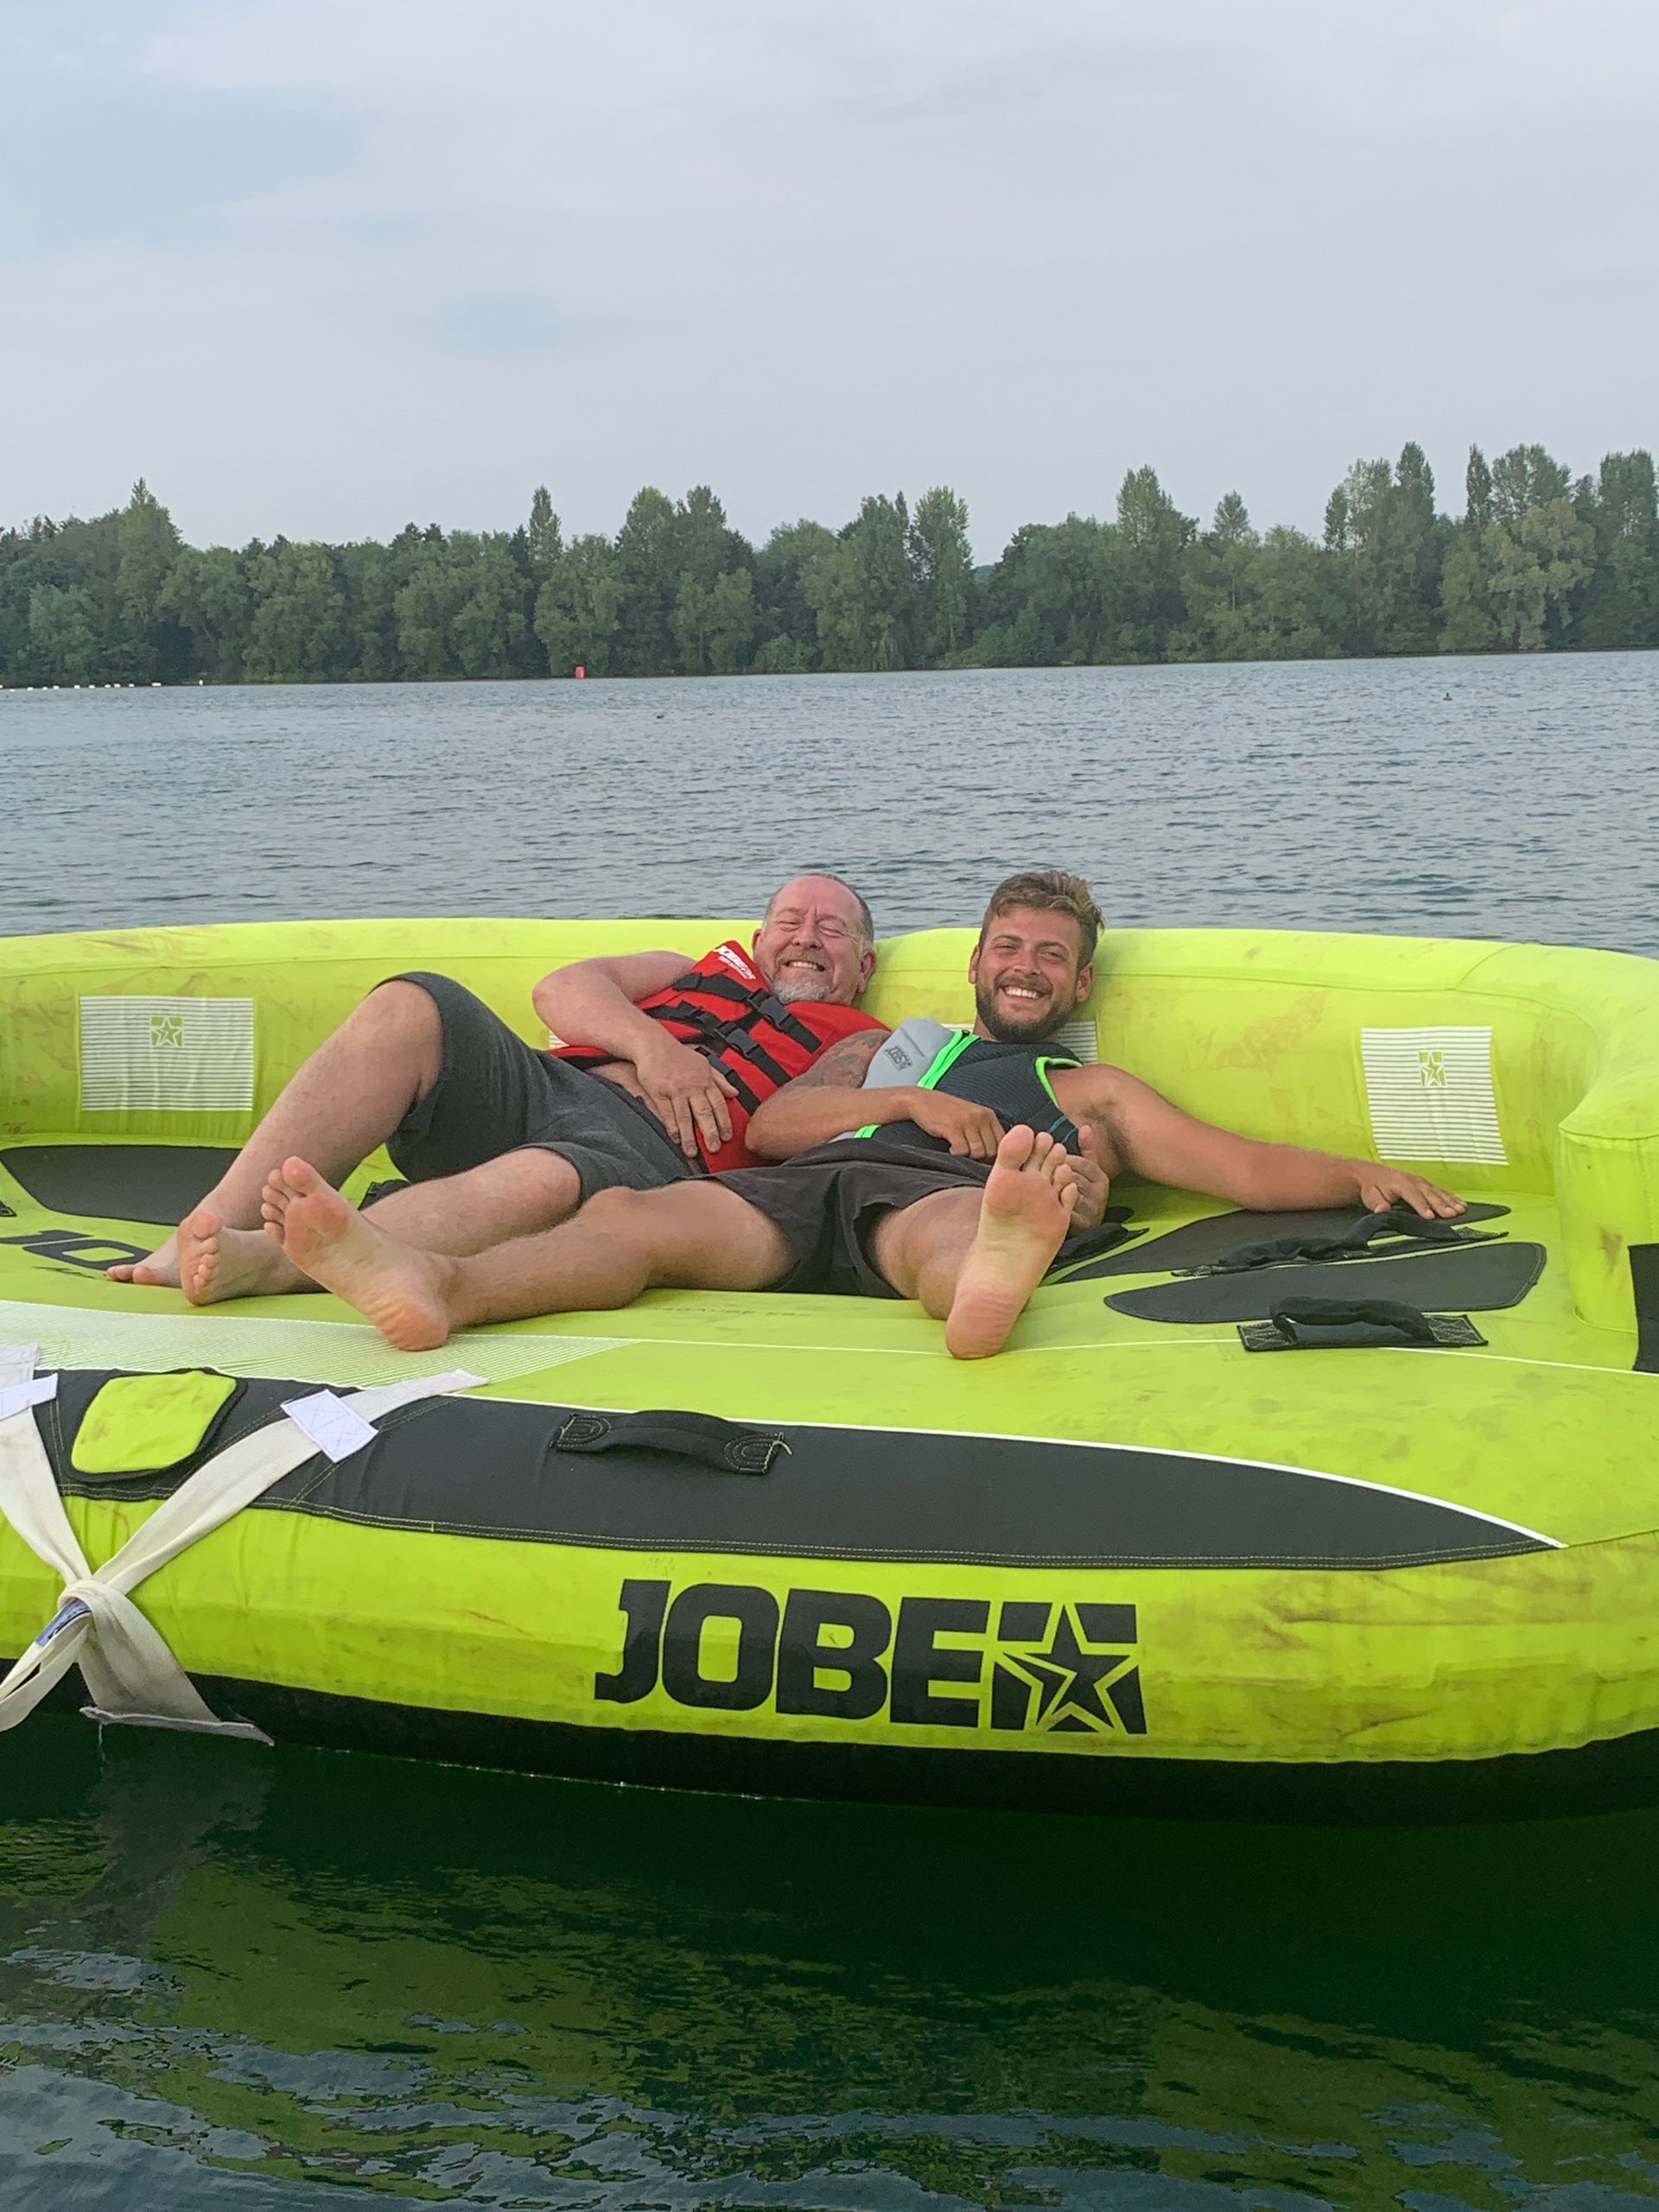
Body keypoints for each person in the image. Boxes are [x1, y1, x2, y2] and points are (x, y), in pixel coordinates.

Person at [247, 870, 1464, 1361]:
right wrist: (907, 1094)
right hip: (796, 1188)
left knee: (947, 1219)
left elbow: (1240, 1166)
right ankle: (439, 1288)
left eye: (1049, 955)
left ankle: (988, 1275)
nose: (1024, 966)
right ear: (978, 965)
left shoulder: (1084, 1094)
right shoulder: (899, 1043)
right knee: (628, 1217)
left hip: (942, 1192)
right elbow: (777, 1129)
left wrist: (1361, 1171)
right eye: (1007, 948)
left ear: (1081, 985)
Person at [111, 872, 885, 1306]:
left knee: (551, 1172)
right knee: (413, 1003)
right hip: (547, 1083)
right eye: (790, 919)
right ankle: (202, 1233)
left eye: (832, 929)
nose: (806, 938)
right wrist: (658, 1049)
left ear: (865, 964)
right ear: (758, 938)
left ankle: (273, 1262)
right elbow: (562, 991)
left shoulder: (856, 1037)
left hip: (651, 1155)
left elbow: (790, 1125)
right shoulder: (691, 966)